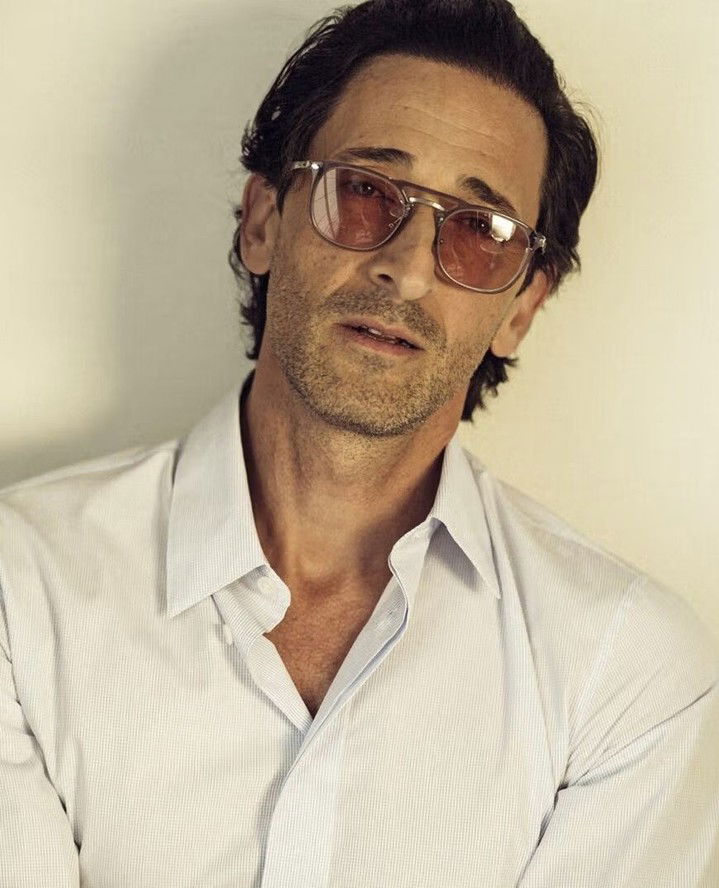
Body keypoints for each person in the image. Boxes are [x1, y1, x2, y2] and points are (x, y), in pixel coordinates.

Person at [1, 0, 717, 885]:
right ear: (263, 222)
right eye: (366, 191)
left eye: (480, 231)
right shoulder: (20, 591)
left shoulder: (623, 669)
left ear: (522, 306)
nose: (406, 268)